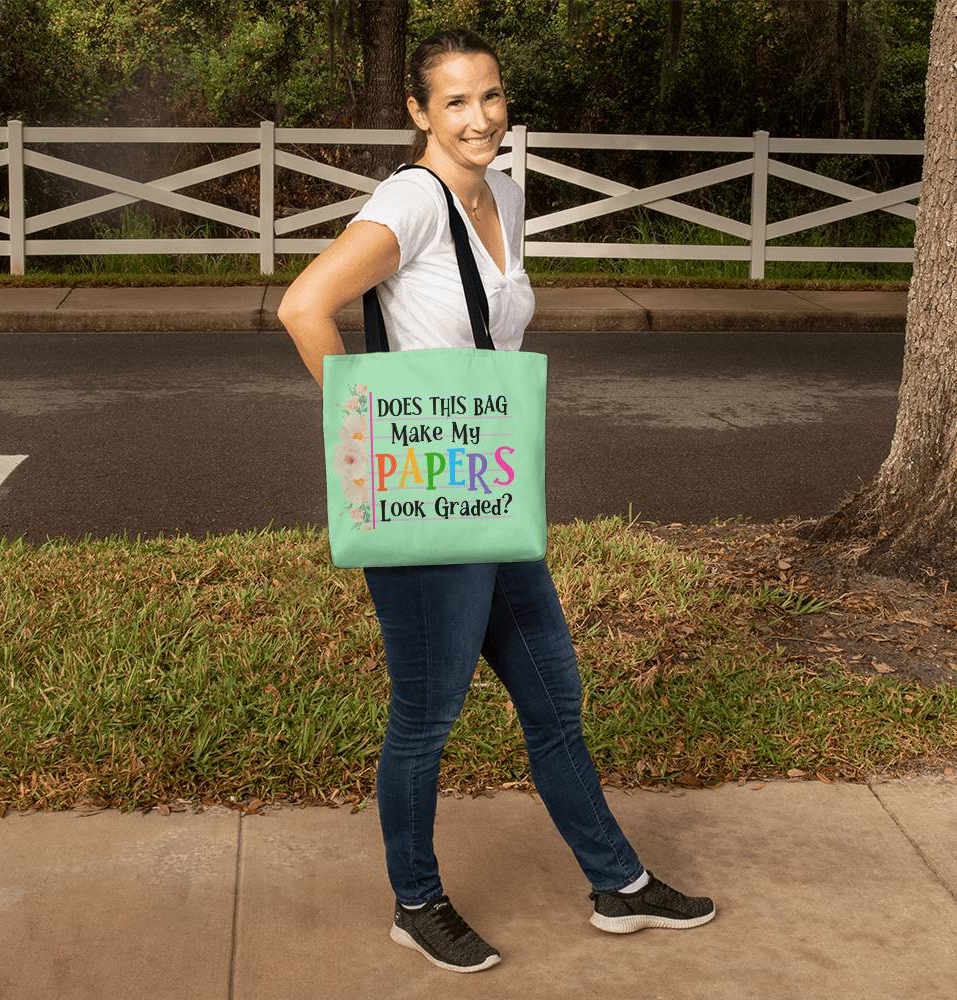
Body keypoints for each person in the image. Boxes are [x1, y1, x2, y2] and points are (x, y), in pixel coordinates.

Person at [277, 27, 716, 975]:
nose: (480, 119)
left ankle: (619, 886)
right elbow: (303, 307)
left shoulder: (506, 197)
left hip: (492, 491)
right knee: (426, 718)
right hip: (425, 499)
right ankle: (415, 901)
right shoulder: (411, 200)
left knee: (555, 697)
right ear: (419, 113)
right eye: (457, 102)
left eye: (492, 97)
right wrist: (368, 433)